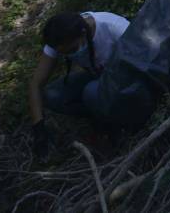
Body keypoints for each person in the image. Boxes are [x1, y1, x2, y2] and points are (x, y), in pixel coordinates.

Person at [28, 10, 130, 157]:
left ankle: (117, 123)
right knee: (52, 95)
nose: (70, 54)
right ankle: (100, 119)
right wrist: (38, 127)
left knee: (90, 92)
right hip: (97, 77)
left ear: (83, 32)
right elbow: (35, 84)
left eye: (73, 49)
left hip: (125, 80)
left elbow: (143, 58)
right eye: (65, 53)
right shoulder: (58, 41)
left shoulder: (114, 27)